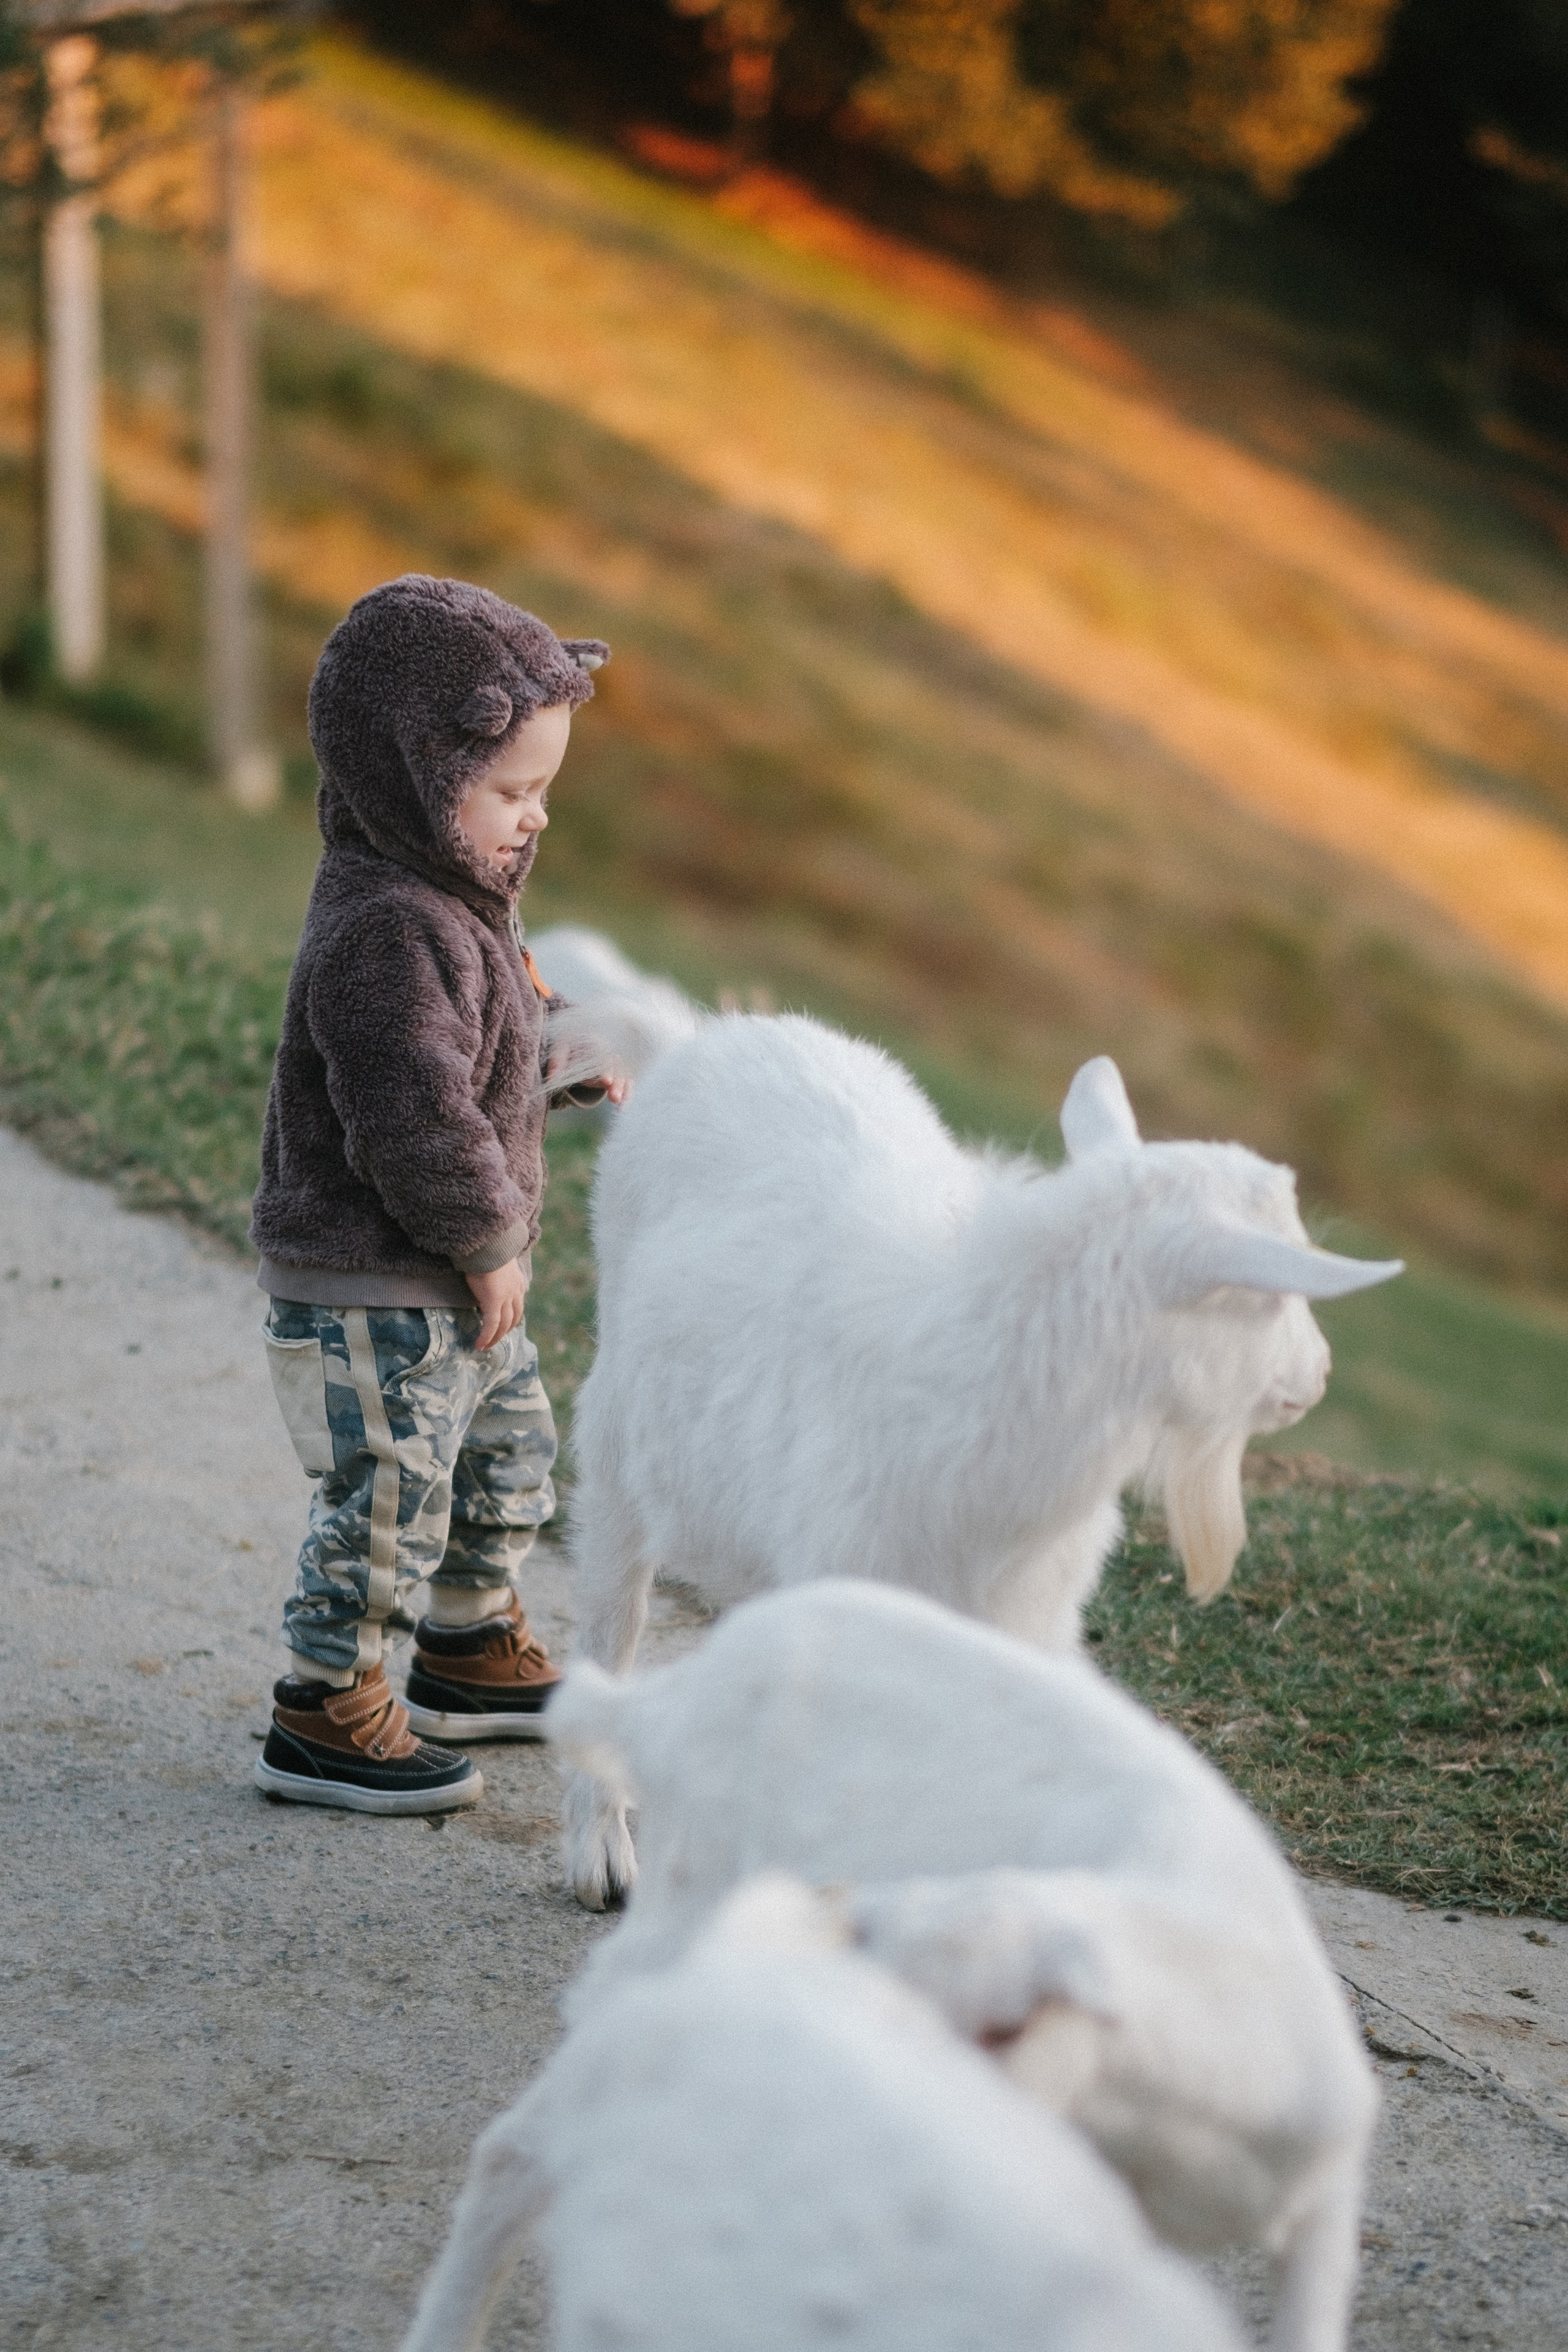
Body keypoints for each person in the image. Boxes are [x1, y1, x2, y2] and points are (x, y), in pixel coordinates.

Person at [248, 575, 618, 1815]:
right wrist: (486, 1238)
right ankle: (325, 1710)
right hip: (376, 1277)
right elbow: (411, 1113)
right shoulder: (385, 932)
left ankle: (464, 1647)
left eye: (545, 792)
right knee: (389, 1500)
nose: (537, 820)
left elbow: (490, 1045)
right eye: (512, 793)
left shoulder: (460, 905)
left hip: (450, 1279)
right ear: (414, 773)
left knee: (509, 1456)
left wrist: (567, 1055)